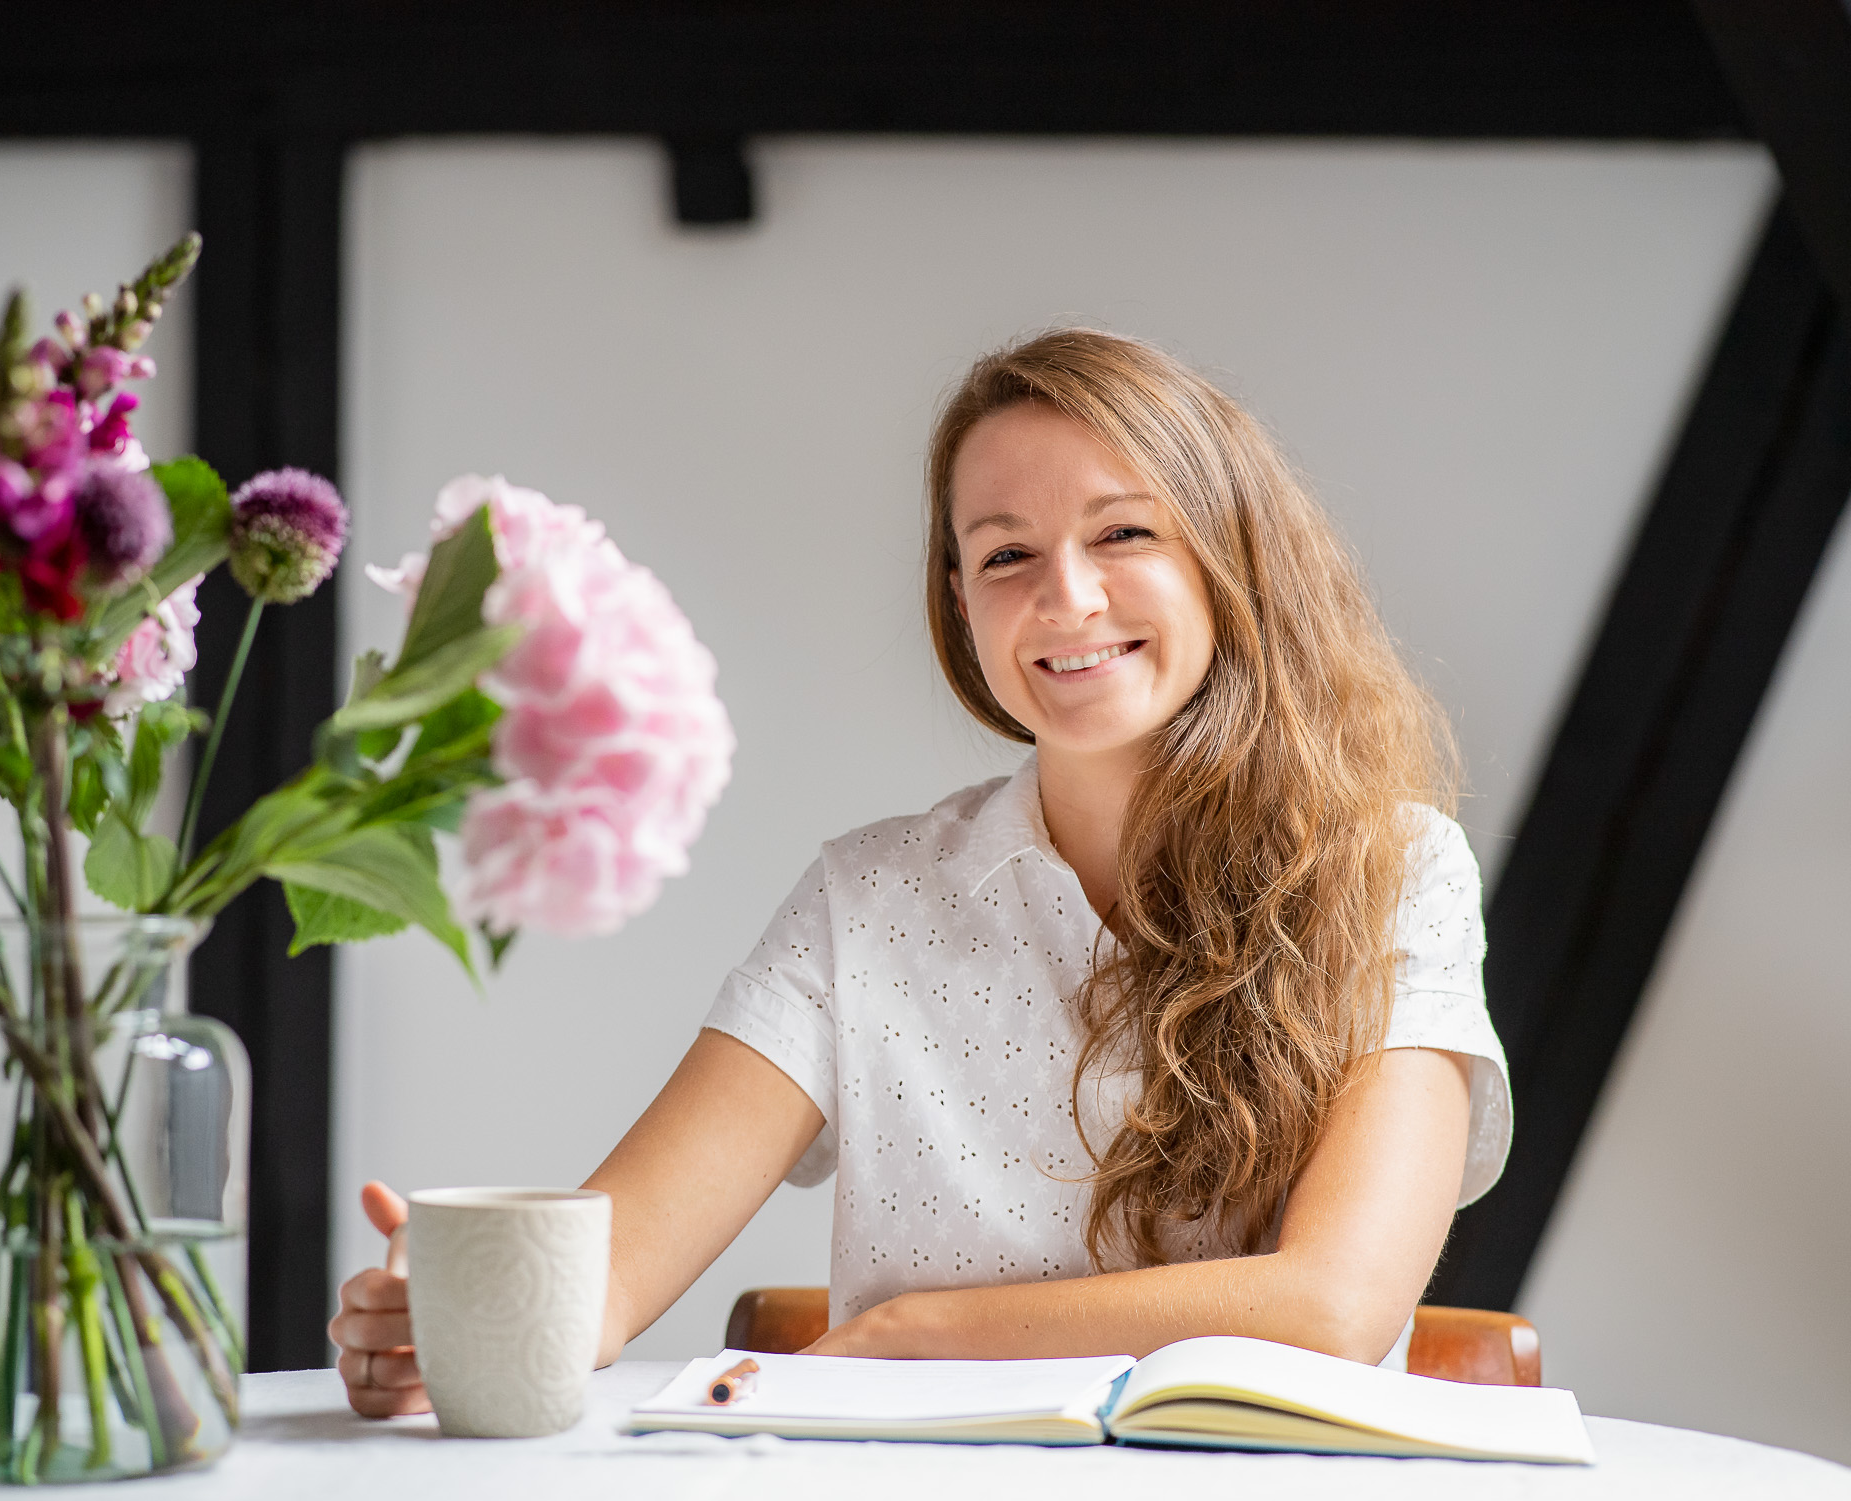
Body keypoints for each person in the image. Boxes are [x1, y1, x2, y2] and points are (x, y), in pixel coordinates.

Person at [330, 328, 1509, 1417]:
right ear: (958, 602)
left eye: (1122, 532)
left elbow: (1333, 1307)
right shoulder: (865, 901)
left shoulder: (1395, 872)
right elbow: (607, 1271)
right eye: (1005, 554)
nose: (1066, 596)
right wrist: (455, 1323)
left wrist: (912, 1332)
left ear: (1224, 555)